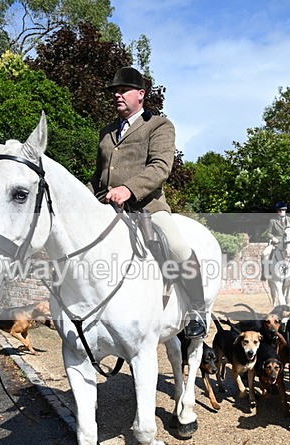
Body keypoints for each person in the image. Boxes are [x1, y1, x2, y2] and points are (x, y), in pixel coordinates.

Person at [87, 67, 206, 338]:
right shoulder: (106, 132)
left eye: (123, 90)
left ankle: (197, 310)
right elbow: (98, 176)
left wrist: (129, 189)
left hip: (148, 209)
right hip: (107, 208)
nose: (117, 95)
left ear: (140, 94)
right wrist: (81, 200)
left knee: (177, 246)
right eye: (114, 91)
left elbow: (160, 167)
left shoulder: (159, 125)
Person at [261, 201, 290, 278]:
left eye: (283, 210)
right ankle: (265, 273)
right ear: (277, 211)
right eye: (280, 210)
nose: (282, 212)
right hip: (276, 243)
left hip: (289, 243)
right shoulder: (272, 221)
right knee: (265, 254)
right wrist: (273, 238)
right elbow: (268, 233)